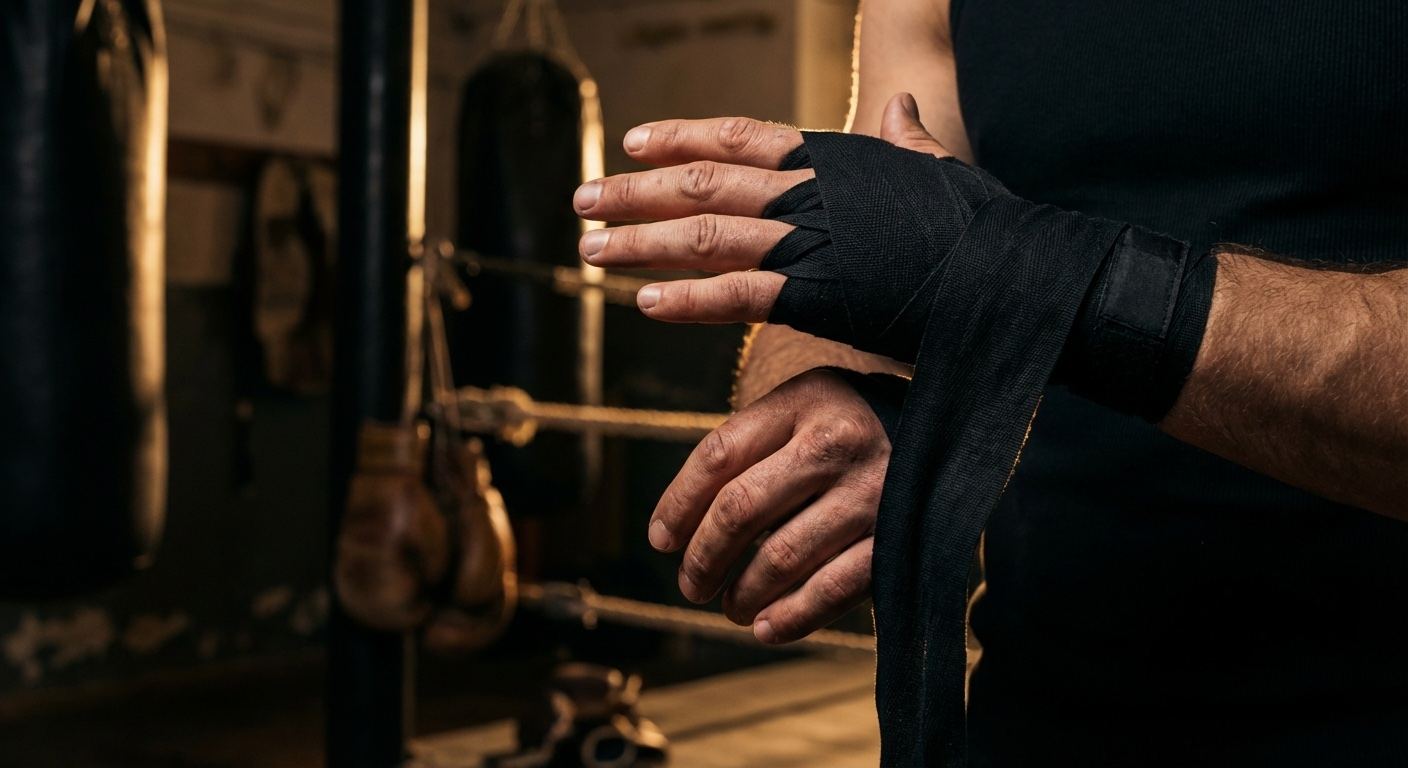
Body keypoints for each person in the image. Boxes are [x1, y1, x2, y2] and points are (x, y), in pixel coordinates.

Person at [574, 1, 1408, 764]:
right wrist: (838, 393)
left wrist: (1062, 288)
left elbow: (992, 264)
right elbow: (888, 242)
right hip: (1039, 703)